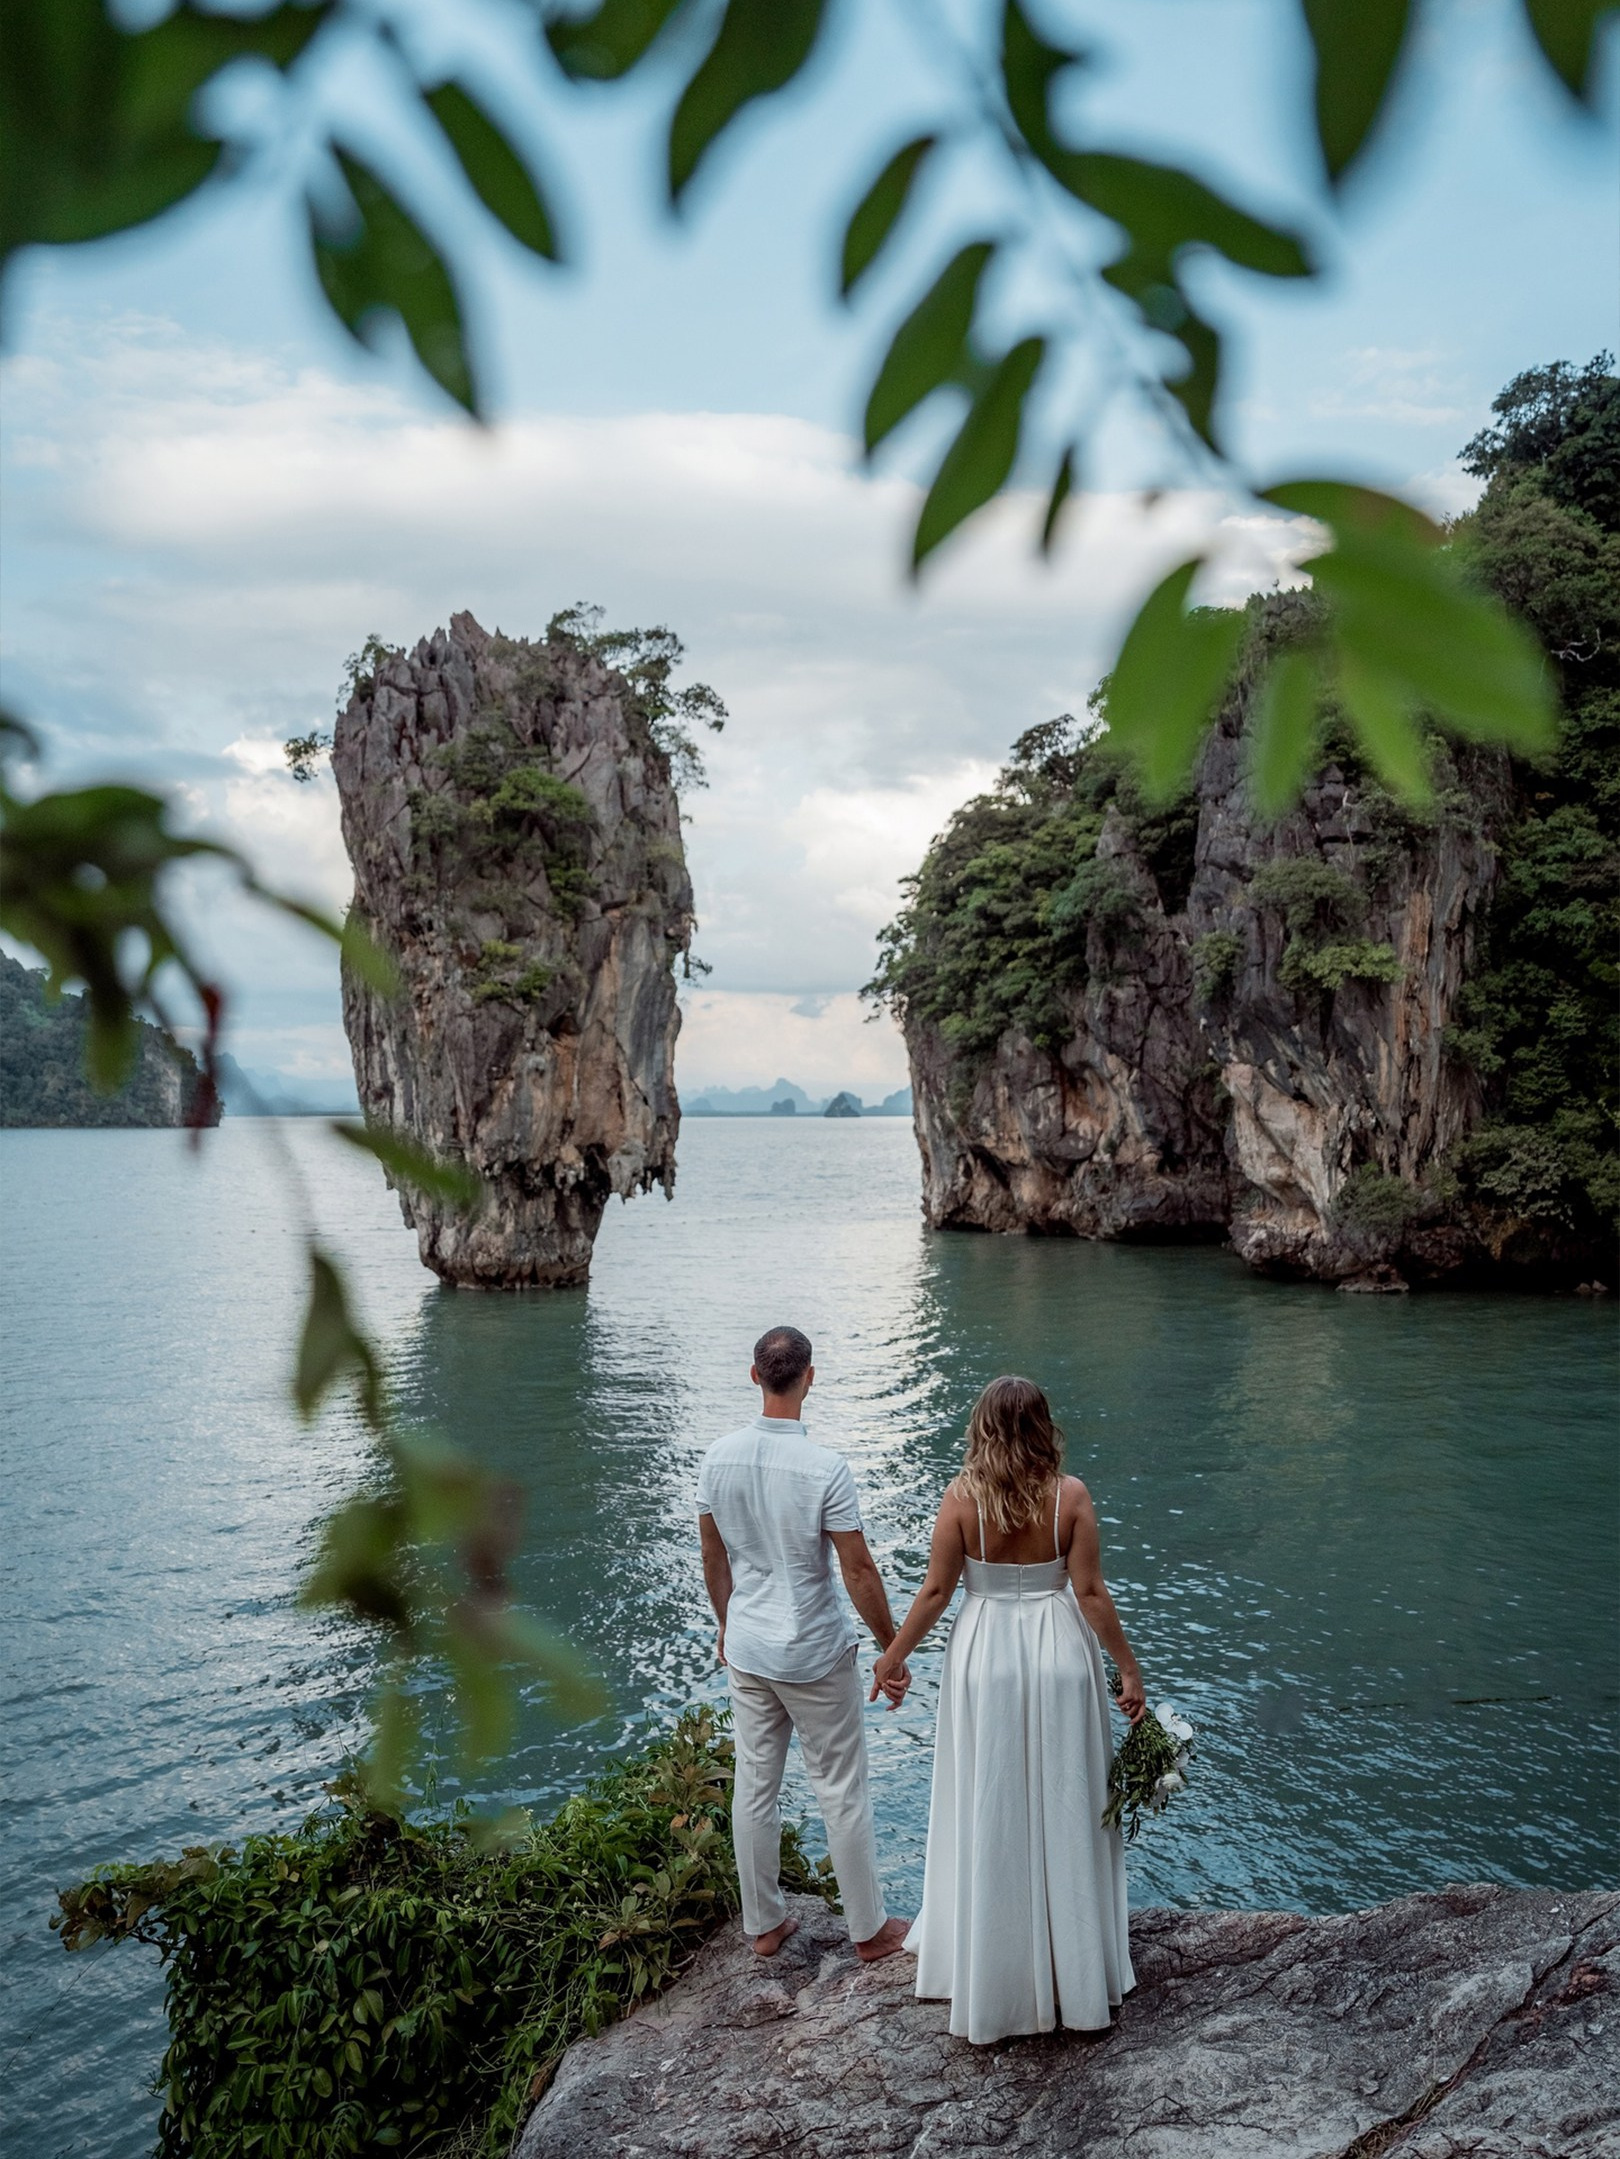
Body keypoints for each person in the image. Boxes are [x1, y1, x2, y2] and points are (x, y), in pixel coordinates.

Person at [872, 1374, 1145, 2044]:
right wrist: (1129, 1669)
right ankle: (1073, 1970)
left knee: (987, 1800)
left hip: (986, 1654)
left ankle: (989, 1969)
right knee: (1067, 1796)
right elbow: (1091, 1592)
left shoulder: (962, 1496)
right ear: (1044, 1424)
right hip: (1059, 1654)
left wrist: (891, 1657)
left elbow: (937, 1590)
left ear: (982, 1426)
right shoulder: (1071, 1495)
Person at [696, 1325, 913, 1962]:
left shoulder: (718, 1458)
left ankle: (763, 1925)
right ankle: (869, 1932)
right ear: (810, 1377)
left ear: (755, 1375)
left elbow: (714, 1560)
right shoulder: (825, 1469)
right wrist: (891, 1650)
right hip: (815, 1652)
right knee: (841, 1788)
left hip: (751, 1650)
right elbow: (859, 1570)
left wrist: (726, 1625)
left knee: (754, 1783)